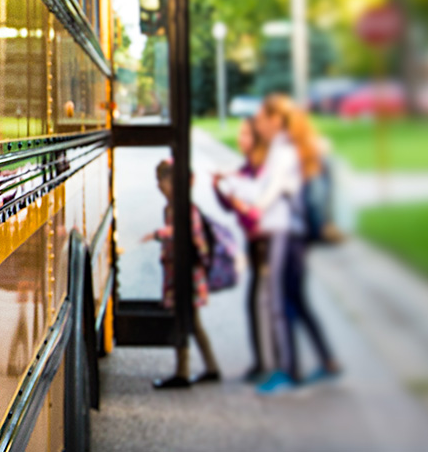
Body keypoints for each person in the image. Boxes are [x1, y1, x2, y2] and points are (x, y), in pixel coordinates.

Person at [242, 94, 340, 394]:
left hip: (283, 232)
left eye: (260, 120)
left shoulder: (282, 150)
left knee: (279, 303)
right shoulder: (289, 147)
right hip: (294, 233)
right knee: (296, 299)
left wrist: (254, 206)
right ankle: (327, 360)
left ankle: (289, 370)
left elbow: (272, 189)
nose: (257, 126)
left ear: (275, 120)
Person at [143, 159, 221, 389]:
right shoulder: (171, 207)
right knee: (193, 322)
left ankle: (183, 371)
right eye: (158, 180)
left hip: (185, 274)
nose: (159, 186)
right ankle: (210, 367)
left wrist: (159, 234)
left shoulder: (184, 208)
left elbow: (188, 233)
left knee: (183, 320)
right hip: (177, 272)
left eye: (163, 180)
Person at [213, 119, 273, 382]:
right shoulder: (247, 168)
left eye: (246, 134)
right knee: (263, 303)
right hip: (256, 241)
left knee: (266, 303)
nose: (240, 138)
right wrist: (219, 189)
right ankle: (266, 362)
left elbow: (254, 213)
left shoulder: (262, 170)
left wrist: (236, 200)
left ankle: (270, 364)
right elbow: (231, 207)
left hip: (268, 243)